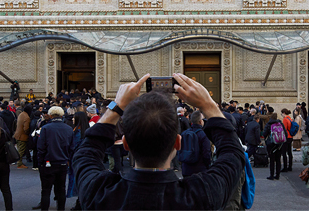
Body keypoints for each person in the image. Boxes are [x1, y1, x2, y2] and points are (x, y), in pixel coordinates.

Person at [73, 73, 245, 209]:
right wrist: (208, 104)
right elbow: (233, 154)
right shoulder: (202, 195)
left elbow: (85, 152)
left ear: (126, 144)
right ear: (178, 143)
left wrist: (117, 106)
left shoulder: (99, 193)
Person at [37, 106, 73, 211]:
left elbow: (41, 147)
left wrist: (40, 161)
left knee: (46, 190)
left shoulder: (46, 128)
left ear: (51, 115)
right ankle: (61, 209)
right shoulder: (68, 128)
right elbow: (71, 147)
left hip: (48, 162)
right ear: (62, 115)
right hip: (62, 162)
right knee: (61, 189)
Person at [179, 110, 213, 176]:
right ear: (200, 121)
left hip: (186, 168)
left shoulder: (184, 133)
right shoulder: (203, 135)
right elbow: (206, 153)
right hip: (200, 169)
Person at [263, 112, 285, 180]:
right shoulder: (280, 123)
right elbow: (285, 133)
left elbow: (264, 133)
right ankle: (277, 175)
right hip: (279, 143)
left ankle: (271, 175)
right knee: (278, 159)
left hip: (271, 144)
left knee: (272, 160)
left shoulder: (269, 124)